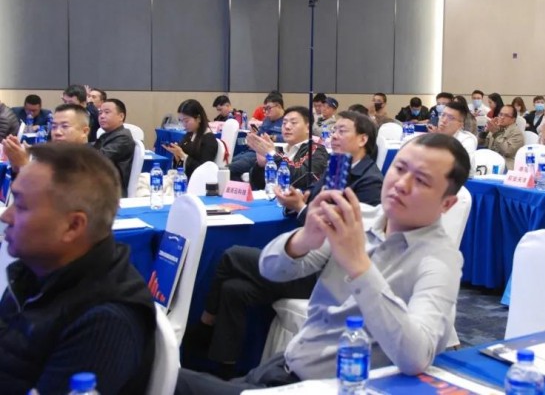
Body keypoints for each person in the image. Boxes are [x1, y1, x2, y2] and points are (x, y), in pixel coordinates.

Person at [176, 134, 470, 393]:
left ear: (447, 203)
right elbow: (270, 269)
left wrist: (359, 266)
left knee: (165, 377)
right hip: (284, 367)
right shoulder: (360, 217)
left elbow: (416, 355)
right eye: (400, 168)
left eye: (421, 181)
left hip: (327, 386)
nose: (401, 185)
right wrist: (305, 239)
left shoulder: (439, 260)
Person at [184, 111, 383, 376]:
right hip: (310, 257)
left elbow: (341, 234)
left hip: (328, 273)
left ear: (363, 139)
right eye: (333, 130)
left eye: (342, 131)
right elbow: (311, 204)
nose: (334, 136)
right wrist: (295, 203)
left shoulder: (369, 182)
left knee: (232, 256)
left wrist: (302, 208)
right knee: (234, 289)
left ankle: (204, 325)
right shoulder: (337, 167)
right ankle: (225, 370)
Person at [0, 143, 156, 394]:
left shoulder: (104, 323)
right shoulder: (36, 270)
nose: (5, 216)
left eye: (21, 206)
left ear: (73, 226)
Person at [248, 106, 329, 191]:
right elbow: (259, 185)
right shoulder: (280, 150)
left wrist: (272, 154)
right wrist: (261, 166)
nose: (287, 126)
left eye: (293, 123)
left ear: (308, 128)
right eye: (284, 123)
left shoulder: (317, 150)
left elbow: (302, 179)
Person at [2, 104, 92, 174]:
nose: (57, 132)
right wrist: (16, 164)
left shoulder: (89, 162)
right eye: (54, 127)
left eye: (65, 126)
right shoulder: (55, 155)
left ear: (84, 131)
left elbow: (57, 190)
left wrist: (24, 165)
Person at [229, 94, 285, 181]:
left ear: (278, 106)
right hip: (253, 151)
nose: (266, 112)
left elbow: (289, 138)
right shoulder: (267, 120)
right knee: (228, 163)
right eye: (265, 109)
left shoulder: (286, 121)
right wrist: (253, 136)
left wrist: (273, 138)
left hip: (266, 154)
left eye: (268, 108)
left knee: (230, 168)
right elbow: (259, 134)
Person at [163, 99, 218, 179]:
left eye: (186, 121)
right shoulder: (189, 134)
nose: (183, 124)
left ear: (198, 118)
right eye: (181, 121)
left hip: (196, 181)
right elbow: (181, 163)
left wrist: (182, 154)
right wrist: (176, 154)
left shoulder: (209, 140)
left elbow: (203, 170)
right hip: (183, 177)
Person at [94, 99, 136, 196]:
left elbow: (97, 159)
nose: (102, 116)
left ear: (121, 116)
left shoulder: (123, 137)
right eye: (100, 113)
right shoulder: (107, 134)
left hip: (112, 190)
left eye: (107, 112)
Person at [432, 100, 478, 173]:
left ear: (460, 125)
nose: (444, 120)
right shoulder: (433, 138)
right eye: (443, 115)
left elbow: (464, 169)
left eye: (451, 118)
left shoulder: (466, 141)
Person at [484, 105, 524, 171]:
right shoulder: (496, 128)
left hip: (506, 165)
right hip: (490, 162)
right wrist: (485, 132)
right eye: (500, 114)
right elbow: (483, 145)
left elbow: (507, 151)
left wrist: (496, 133)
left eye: (506, 115)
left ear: (513, 119)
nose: (502, 117)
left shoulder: (517, 133)